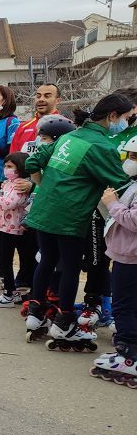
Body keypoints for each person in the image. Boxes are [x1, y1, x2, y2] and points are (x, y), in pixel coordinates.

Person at [23, 93, 133, 348]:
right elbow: (122, 183)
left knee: (48, 260)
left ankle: (35, 314)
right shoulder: (102, 146)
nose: (126, 123)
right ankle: (65, 323)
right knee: (71, 267)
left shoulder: (70, 136)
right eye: (126, 118)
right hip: (70, 215)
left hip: (44, 209)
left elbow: (32, 160)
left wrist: (45, 185)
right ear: (113, 116)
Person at [95, 133, 137, 385]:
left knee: (123, 305)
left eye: (134, 157)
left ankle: (128, 353)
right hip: (126, 253)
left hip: (130, 256)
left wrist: (112, 204)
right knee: (131, 304)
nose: (129, 161)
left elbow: (133, 221)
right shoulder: (132, 183)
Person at [0, 152, 34, 307]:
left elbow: (7, 204)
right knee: (3, 260)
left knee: (8, 261)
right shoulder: (7, 183)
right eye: (5, 166)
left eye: (10, 166)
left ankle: (9, 294)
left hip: (14, 229)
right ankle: (14, 291)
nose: (6, 169)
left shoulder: (20, 185)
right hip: (2, 227)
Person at [10, 83, 60, 154]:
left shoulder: (67, 126)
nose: (41, 99)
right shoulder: (22, 127)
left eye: (47, 96)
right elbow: (12, 159)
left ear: (58, 100)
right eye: (38, 96)